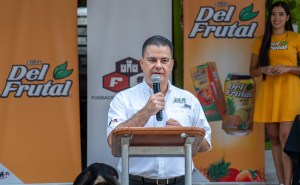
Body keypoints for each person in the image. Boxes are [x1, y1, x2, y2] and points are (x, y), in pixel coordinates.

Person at [107, 35, 212, 185]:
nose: (158, 65)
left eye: (164, 60)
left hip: (180, 181)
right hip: (135, 181)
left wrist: (185, 134)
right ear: (142, 63)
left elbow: (206, 144)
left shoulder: (189, 99)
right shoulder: (123, 99)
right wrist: (146, 112)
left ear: (172, 64)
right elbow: (112, 140)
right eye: (151, 60)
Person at [249, 2, 300, 185]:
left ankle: (288, 182)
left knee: (286, 136)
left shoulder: (296, 38)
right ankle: (280, 181)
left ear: (287, 17)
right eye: (273, 14)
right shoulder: (261, 40)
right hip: (269, 94)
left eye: (281, 14)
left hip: (290, 93)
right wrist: (264, 68)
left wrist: (287, 68)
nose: (276, 18)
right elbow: (252, 70)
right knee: (274, 138)